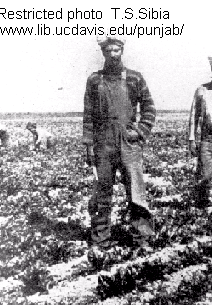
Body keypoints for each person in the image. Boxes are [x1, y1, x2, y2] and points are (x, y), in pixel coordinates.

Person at [83, 36, 156, 256]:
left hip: (128, 142)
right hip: (103, 142)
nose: (113, 55)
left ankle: (142, 238)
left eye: (117, 51)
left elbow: (149, 107)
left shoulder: (134, 78)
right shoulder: (94, 80)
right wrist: (88, 146)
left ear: (121, 51)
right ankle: (101, 238)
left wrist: (140, 131)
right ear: (103, 53)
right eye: (109, 51)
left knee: (136, 191)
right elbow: (88, 116)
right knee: (102, 193)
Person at [189, 57, 212, 228]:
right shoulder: (202, 90)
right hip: (207, 138)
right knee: (206, 175)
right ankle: (201, 206)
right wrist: (191, 138)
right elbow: (193, 116)